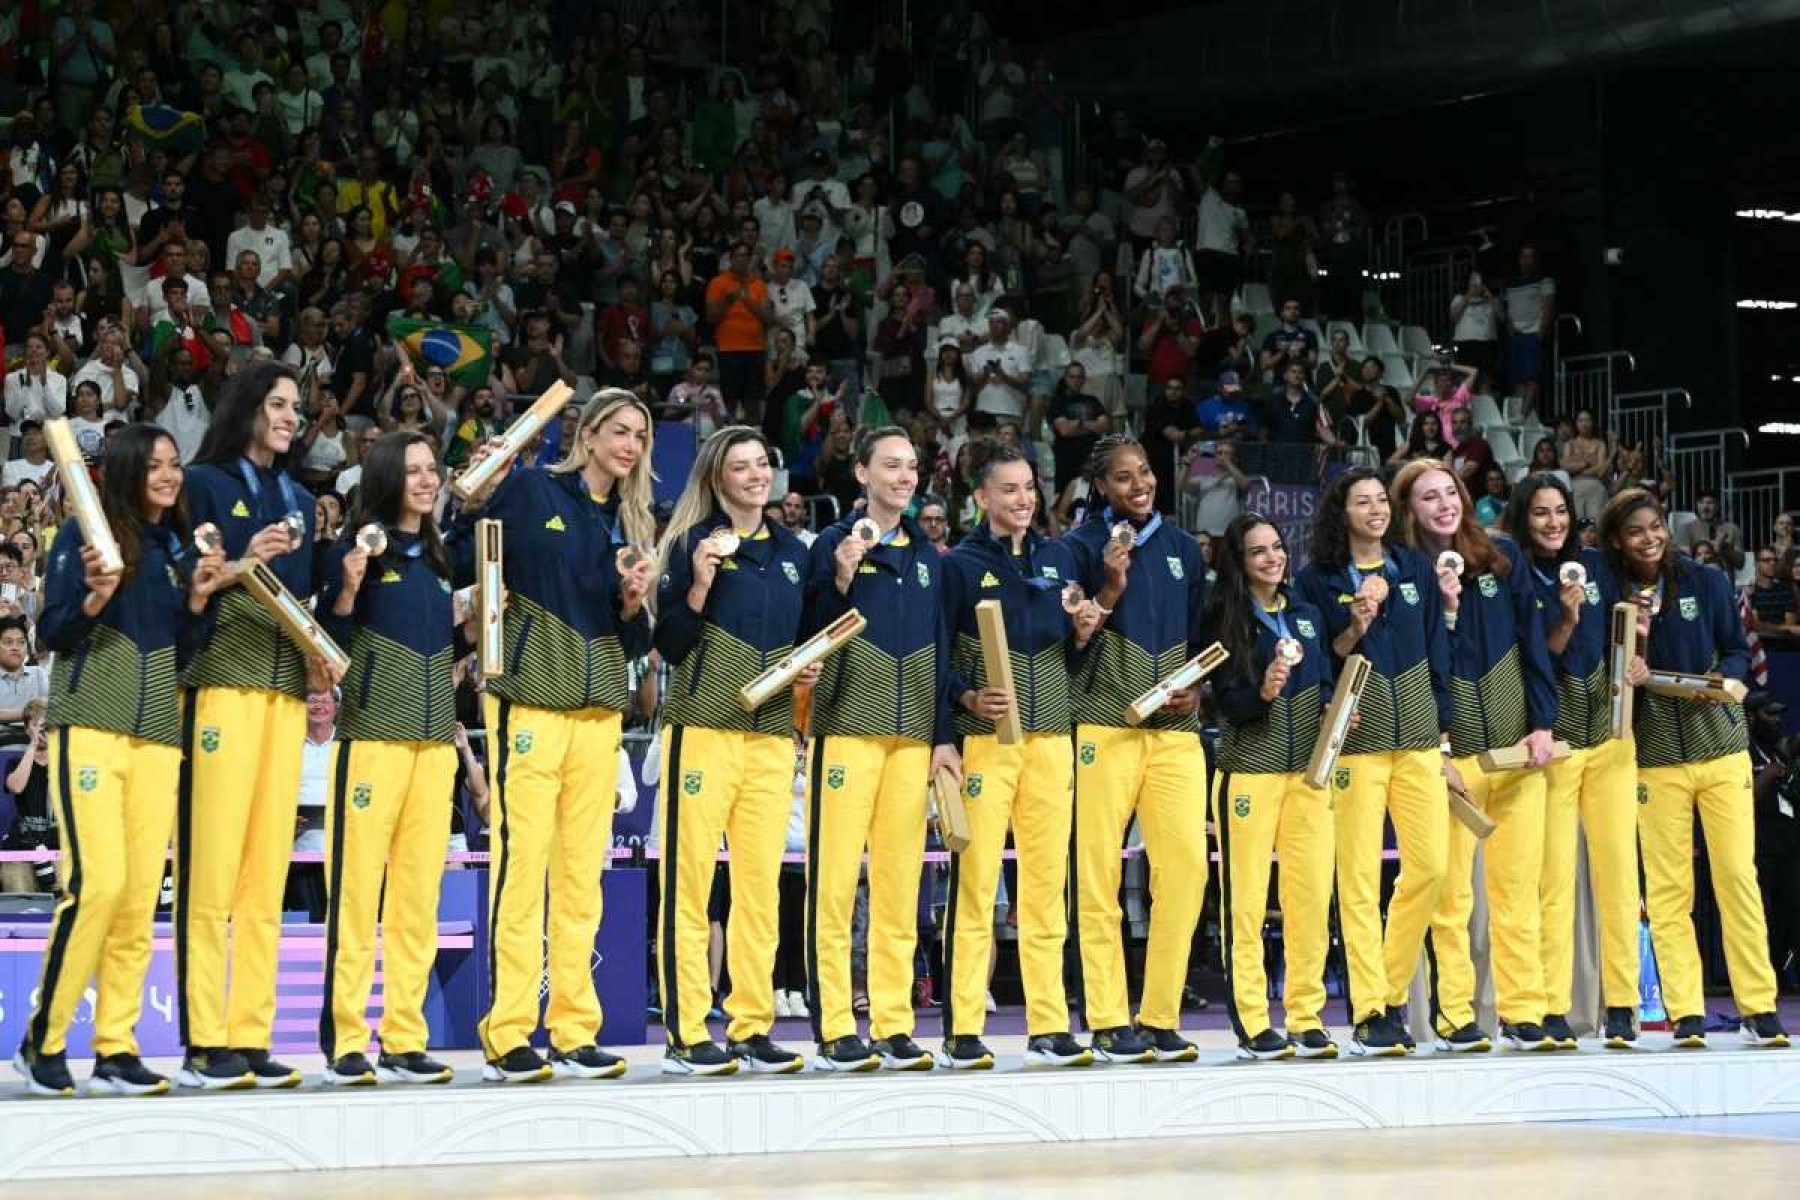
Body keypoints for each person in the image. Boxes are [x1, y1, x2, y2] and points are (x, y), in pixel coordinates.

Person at [12, 425, 228, 1097]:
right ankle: (42, 1042)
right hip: (92, 733)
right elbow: (49, 633)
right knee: (96, 885)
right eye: (155, 464)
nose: (168, 474)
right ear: (130, 471)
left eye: (174, 464)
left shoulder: (173, 549)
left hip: (158, 739)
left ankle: (116, 1046)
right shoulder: (89, 540)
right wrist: (94, 598)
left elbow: (185, 654)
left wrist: (197, 601)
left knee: (138, 901)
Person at [453, 389, 656, 1083]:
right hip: (529, 699)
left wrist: (632, 604)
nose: (629, 445)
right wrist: (478, 497)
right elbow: (467, 557)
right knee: (521, 868)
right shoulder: (533, 488)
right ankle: (508, 1031)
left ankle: (574, 1029)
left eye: (639, 436)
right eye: (619, 431)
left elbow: (637, 636)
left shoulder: (625, 527)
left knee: (581, 879)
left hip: (600, 708)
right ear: (589, 432)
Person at [178, 362, 326, 1090]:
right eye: (277, 403)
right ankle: (206, 1037)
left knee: (266, 874)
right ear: (246, 407)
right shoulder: (203, 483)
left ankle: (251, 1031)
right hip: (221, 687)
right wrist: (245, 563)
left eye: (297, 407)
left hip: (286, 696)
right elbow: (193, 581)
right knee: (211, 871)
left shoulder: (299, 496)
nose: (290, 416)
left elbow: (308, 602)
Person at [652, 427, 815, 1077]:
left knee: (760, 890)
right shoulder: (693, 543)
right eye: (740, 466)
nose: (754, 475)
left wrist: (809, 672)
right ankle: (687, 1030)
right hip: (703, 728)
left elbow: (807, 640)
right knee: (690, 886)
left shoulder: (793, 553)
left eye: (761, 463)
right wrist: (696, 585)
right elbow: (668, 642)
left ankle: (752, 1025)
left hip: (773, 737)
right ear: (717, 479)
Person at [1601, 489, 1790, 1049]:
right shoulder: (1614, 594)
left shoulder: (1705, 582)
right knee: (1667, 891)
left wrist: (1727, 681)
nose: (1650, 537)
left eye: (1656, 526)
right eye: (1636, 530)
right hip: (1655, 758)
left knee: (1736, 878)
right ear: (1617, 540)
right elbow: (1606, 674)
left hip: (1721, 749)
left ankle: (1758, 1004)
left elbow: (1736, 651)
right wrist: (1629, 651)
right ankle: (1686, 1012)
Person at [801, 426, 962, 1072]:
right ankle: (837, 1024)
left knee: (901, 890)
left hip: (911, 741)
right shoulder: (829, 546)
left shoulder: (928, 558)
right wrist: (838, 581)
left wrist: (943, 736)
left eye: (912, 466)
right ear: (861, 473)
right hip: (845, 731)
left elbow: (945, 651)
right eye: (891, 466)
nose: (903, 476)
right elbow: (804, 634)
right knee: (835, 886)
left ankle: (894, 1023)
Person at [937, 443, 1102, 1070]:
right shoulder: (959, 565)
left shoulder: (1058, 560)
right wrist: (963, 698)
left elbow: (1073, 657)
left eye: (1029, 486)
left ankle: (1049, 1024)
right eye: (1008, 489)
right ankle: (962, 1026)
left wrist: (1084, 634)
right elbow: (938, 654)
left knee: (1044, 887)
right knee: (976, 886)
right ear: (981, 497)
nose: (1024, 499)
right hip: (987, 743)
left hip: (1052, 740)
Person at [1392, 458, 1559, 1052]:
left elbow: (1534, 647)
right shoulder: (1406, 573)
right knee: (1451, 894)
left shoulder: (1501, 558)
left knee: (1518, 889)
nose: (1444, 505)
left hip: (1518, 752)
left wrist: (1543, 724)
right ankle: (1455, 1013)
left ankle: (1526, 1011)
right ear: (1408, 510)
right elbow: (1419, 665)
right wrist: (1435, 744)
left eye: (1450, 492)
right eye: (1428, 497)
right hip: (1452, 756)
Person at [312, 432, 461, 1087]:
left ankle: (404, 1036)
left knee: (416, 899)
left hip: (434, 749)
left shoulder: (437, 555)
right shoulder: (356, 551)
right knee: (355, 897)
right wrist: (345, 591)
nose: (427, 482)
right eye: (414, 472)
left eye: (433, 470)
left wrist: (476, 628)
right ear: (385, 478)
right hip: (371, 742)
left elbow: (437, 642)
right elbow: (331, 643)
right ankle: (346, 1038)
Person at [1295, 468, 1453, 1055]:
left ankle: (1386, 988)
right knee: (1357, 880)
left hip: (1416, 740)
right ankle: (1370, 1011)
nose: (1377, 510)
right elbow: (1319, 657)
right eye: (1363, 502)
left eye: (1382, 500)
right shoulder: (1315, 582)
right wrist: (1354, 626)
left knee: (1432, 868)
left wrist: (1440, 718)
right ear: (1342, 513)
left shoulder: (1412, 568)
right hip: (1355, 748)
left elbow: (1440, 643)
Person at [1063, 434, 1210, 1064]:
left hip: (1175, 736)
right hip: (1103, 727)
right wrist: (1110, 589)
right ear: (1100, 488)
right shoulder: (1075, 549)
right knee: (1097, 876)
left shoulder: (1182, 549)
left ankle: (1159, 1013)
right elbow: (1066, 646)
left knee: (1187, 869)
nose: (1139, 484)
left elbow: (1206, 639)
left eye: (1145, 472)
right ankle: (1105, 1015)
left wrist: (1198, 693)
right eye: (1123, 478)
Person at [1505, 474, 1644, 1048]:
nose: (1553, 523)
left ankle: (1622, 1003)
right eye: (1541, 513)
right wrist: (1565, 616)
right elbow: (1544, 654)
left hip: (1611, 741)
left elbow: (1625, 629)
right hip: (1557, 744)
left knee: (1617, 876)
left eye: (1560, 512)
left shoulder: (1596, 566)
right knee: (1553, 881)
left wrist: (1637, 662)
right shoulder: (1518, 576)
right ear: (1524, 518)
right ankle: (1550, 1003)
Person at [1203, 514, 1338, 1060]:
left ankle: (1306, 1016)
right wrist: (1260, 692)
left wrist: (1335, 710)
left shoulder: (1306, 616)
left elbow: (1326, 681)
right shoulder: (1226, 620)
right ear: (1239, 562)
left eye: (1277, 547)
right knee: (1247, 904)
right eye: (1257, 551)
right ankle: (1255, 1021)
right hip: (1249, 773)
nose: (1271, 558)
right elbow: (1228, 706)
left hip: (1307, 776)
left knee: (1309, 899)